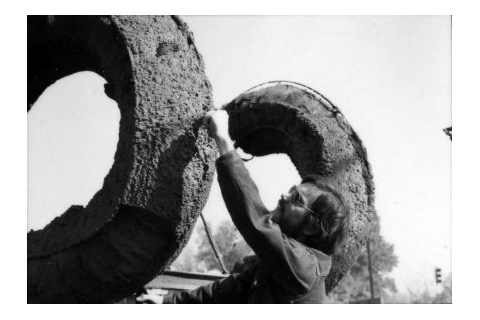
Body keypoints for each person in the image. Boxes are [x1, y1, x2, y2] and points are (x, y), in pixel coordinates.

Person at [136, 110, 350, 304]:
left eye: (296, 199)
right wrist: (166, 302)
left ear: (312, 226)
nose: (284, 195)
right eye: (290, 190)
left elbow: (256, 222)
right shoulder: (272, 267)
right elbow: (220, 293)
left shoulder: (305, 268)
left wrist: (223, 139)